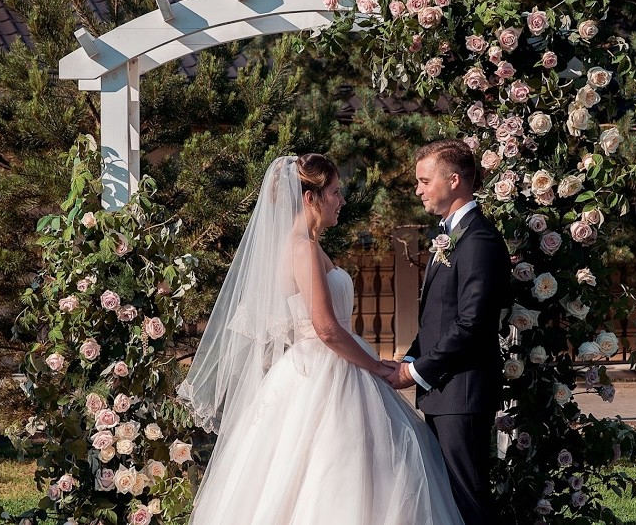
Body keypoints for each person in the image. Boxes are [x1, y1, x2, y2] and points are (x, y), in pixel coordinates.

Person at [177, 154, 464, 524]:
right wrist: (377, 366)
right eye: (335, 192)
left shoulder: (308, 245)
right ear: (310, 198)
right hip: (326, 370)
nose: (341, 200)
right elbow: (326, 329)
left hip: (323, 365)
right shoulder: (303, 248)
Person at [384, 139, 512, 524]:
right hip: (445, 392)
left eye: (424, 181)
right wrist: (409, 358)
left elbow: (472, 323)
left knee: (468, 500)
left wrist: (416, 371)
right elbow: (437, 319)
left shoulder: (478, 240)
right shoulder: (452, 236)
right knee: (451, 499)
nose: (417, 190)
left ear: (454, 180)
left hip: (462, 393)